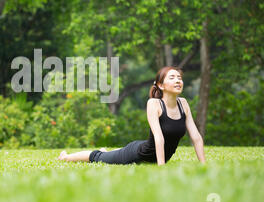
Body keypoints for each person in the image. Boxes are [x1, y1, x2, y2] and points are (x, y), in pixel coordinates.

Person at [58, 66, 206, 166]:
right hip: (138, 154)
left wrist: (203, 165)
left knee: (109, 153)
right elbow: (159, 138)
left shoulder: (183, 103)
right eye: (172, 77)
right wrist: (162, 168)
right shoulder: (154, 104)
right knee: (99, 158)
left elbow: (196, 137)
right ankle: (66, 157)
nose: (178, 80)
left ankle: (107, 151)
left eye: (179, 78)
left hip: (156, 155)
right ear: (161, 85)